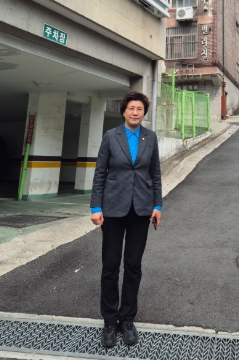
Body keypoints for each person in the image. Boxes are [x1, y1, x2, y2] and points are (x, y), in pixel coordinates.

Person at [90, 91, 162, 348]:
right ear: (123, 111)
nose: (135, 112)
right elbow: (100, 172)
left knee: (133, 265)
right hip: (113, 209)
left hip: (141, 210)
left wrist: (157, 205)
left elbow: (155, 173)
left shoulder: (150, 137)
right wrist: (96, 206)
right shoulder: (111, 136)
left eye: (140, 109)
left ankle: (127, 319)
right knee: (110, 266)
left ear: (144, 113)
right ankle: (110, 321)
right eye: (131, 108)